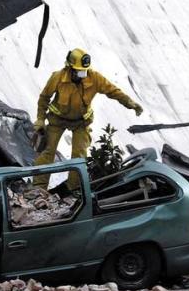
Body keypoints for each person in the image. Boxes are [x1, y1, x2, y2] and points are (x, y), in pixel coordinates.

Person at [34, 48, 143, 188]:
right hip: (57, 120)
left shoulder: (94, 78)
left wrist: (130, 103)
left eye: (84, 71)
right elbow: (44, 98)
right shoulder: (58, 77)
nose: (83, 75)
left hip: (81, 122)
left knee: (79, 158)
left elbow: (113, 91)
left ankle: (74, 191)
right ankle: (38, 189)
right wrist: (40, 119)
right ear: (70, 68)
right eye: (79, 71)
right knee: (47, 152)